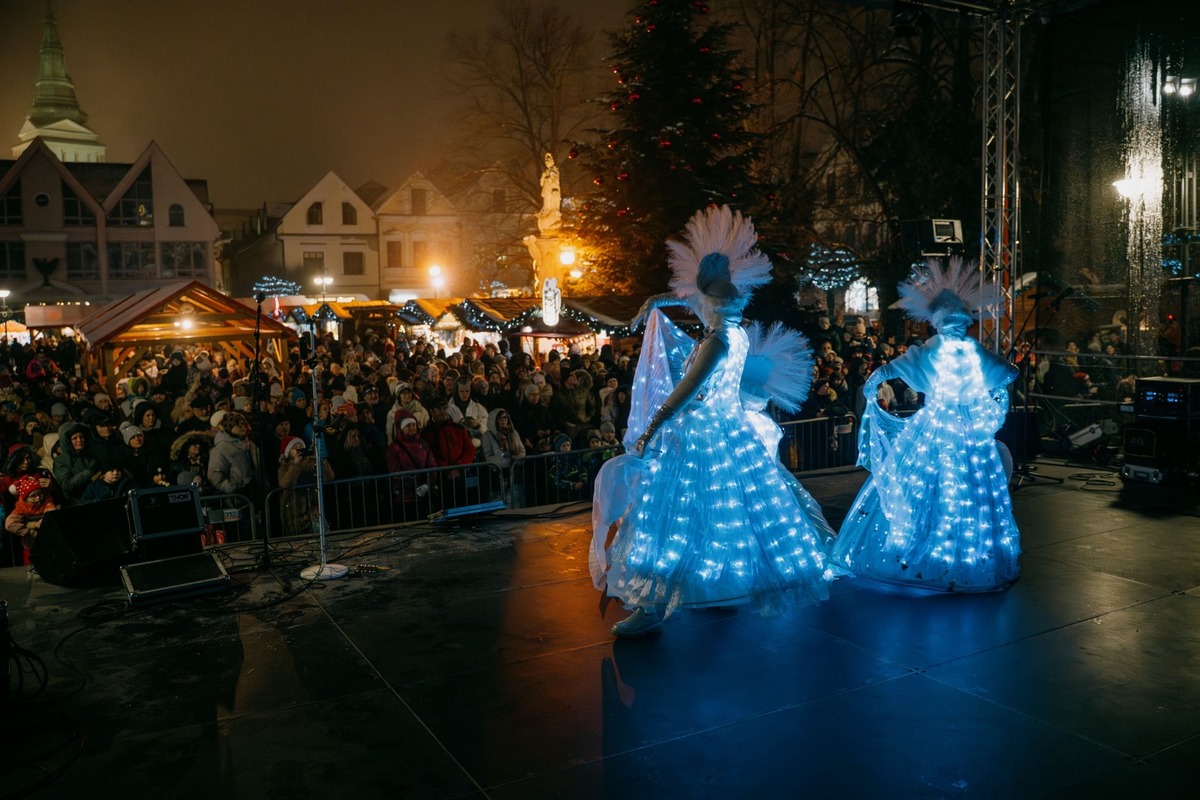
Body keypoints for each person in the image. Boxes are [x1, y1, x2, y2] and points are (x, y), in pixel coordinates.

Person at [591, 206, 835, 638]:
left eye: (702, 300)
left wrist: (654, 426)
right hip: (731, 434)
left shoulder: (717, 341)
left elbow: (685, 391)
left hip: (702, 436)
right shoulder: (736, 332)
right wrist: (658, 301)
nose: (697, 305)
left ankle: (652, 604)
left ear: (712, 302)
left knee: (671, 519)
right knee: (732, 515)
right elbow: (687, 302)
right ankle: (714, 586)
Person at [831, 257, 1021, 592]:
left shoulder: (931, 350)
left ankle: (919, 556)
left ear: (936, 322)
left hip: (933, 428)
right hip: (969, 433)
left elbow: (887, 372)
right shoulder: (974, 352)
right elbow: (1009, 372)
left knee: (922, 489)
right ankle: (967, 558)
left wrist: (872, 390)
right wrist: (990, 400)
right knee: (969, 493)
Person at [277, 436, 334, 537]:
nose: (299, 448)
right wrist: (296, 464)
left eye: (301, 445)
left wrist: (320, 459)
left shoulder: (312, 461)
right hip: (294, 507)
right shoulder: (285, 466)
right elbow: (284, 483)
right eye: (295, 446)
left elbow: (329, 477)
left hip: (313, 507)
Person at [386, 411, 437, 521]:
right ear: (401, 428)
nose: (412, 428)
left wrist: (427, 484)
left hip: (423, 494)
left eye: (413, 425)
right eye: (408, 426)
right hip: (404, 498)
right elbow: (395, 471)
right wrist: (411, 486)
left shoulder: (423, 444)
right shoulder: (394, 448)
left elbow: (432, 465)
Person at [479, 407, 524, 506]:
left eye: (505, 417)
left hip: (514, 474)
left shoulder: (514, 433)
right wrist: (508, 461)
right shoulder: (487, 436)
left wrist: (515, 459)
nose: (503, 420)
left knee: (516, 503)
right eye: (500, 418)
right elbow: (488, 457)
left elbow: (522, 451)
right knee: (499, 505)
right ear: (494, 420)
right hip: (497, 476)